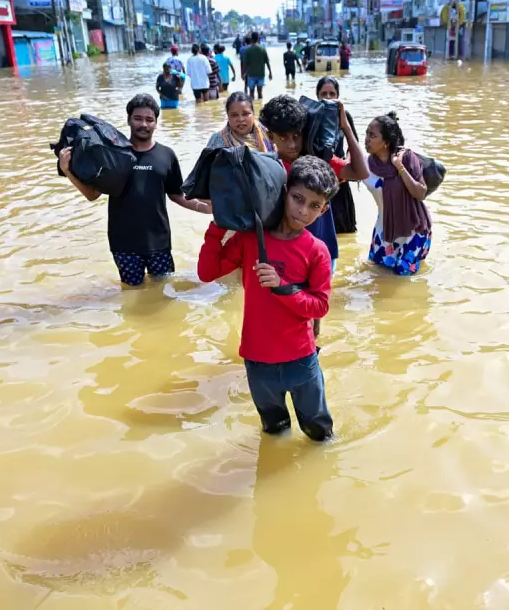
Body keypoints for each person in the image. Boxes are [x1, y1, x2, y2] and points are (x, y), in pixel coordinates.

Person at [197, 156, 338, 441]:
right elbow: (207, 272)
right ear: (284, 192)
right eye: (298, 198)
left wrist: (282, 286)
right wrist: (218, 226)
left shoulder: (317, 250)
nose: (303, 211)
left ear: (323, 211)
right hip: (258, 360)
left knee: (320, 434)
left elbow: (320, 306)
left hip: (301, 360)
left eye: (314, 205)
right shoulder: (251, 239)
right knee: (274, 431)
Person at [59, 94, 212, 286]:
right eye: (138, 118)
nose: (144, 124)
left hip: (159, 243)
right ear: (129, 120)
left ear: (156, 123)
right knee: (132, 294)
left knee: (164, 293)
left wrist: (206, 207)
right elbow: (93, 195)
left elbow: (177, 195)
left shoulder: (166, 155)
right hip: (124, 245)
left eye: (149, 119)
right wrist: (67, 171)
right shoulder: (113, 154)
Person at [260, 95, 368, 336]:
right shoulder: (268, 169)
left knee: (315, 315)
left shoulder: (317, 164)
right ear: (270, 137)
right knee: (288, 315)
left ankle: (313, 351)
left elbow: (360, 172)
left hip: (321, 250)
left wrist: (345, 127)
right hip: (288, 255)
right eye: (283, 137)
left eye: (296, 135)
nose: (291, 144)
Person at [363, 112, 432, 276]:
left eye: (372, 135)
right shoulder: (365, 164)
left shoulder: (407, 157)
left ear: (385, 142)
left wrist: (399, 167)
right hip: (384, 230)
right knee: (377, 276)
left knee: (402, 278)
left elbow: (421, 192)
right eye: (366, 133)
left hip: (413, 230)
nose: (366, 139)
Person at [317, 76, 358, 234]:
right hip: (319, 179)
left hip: (341, 178)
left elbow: (353, 144)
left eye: (332, 94)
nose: (328, 98)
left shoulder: (344, 115)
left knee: (344, 230)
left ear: (338, 96)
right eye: (324, 94)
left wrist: (346, 165)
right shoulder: (312, 115)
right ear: (317, 95)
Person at [206, 91, 274, 152]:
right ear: (228, 116)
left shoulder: (268, 133)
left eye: (245, 114)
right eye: (234, 115)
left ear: (253, 114)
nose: (241, 119)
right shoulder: (217, 141)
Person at [242, 31, 272, 100]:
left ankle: (253, 109)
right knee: (260, 93)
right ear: (258, 38)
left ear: (251, 38)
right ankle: (260, 107)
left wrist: (243, 73)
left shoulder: (248, 50)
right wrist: (270, 72)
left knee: (251, 94)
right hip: (261, 74)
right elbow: (267, 62)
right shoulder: (262, 49)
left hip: (251, 75)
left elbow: (245, 64)